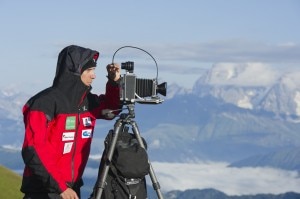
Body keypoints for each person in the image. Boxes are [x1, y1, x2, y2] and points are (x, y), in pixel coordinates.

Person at [20, 45, 121, 199]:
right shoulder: (43, 102)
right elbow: (33, 149)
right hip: (43, 190)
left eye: (93, 70)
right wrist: (60, 187)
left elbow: (111, 110)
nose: (93, 76)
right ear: (75, 72)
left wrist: (114, 83)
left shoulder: (87, 102)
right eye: (89, 71)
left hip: (72, 188)